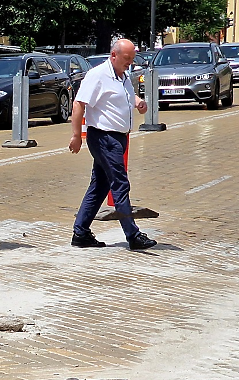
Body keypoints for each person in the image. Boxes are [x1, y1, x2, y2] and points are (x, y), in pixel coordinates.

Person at [68, 38, 157, 250]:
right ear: (113, 55)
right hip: (103, 137)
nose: (130, 63)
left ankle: (80, 233)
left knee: (100, 185)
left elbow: (126, 95)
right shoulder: (97, 75)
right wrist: (75, 136)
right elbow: (79, 104)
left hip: (118, 137)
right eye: (127, 59)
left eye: (132, 59)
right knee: (120, 183)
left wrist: (138, 102)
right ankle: (133, 235)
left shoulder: (122, 75)